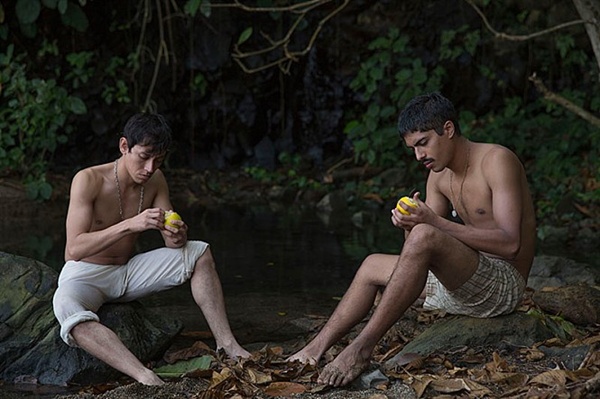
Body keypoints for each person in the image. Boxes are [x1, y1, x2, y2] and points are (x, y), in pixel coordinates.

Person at [287, 92, 536, 387]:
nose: (419, 156)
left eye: (423, 143)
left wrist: (432, 222)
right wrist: (409, 224)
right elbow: (417, 249)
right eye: (413, 149)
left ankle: (361, 349)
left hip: (501, 286)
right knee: (370, 265)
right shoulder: (438, 176)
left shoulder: (496, 161)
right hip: (463, 282)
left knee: (426, 232)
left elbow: (510, 244)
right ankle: (315, 348)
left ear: (448, 129)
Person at [52, 113, 250, 385]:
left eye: (158, 160)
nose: (149, 167)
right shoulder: (88, 180)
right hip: (86, 274)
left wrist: (177, 235)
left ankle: (227, 344)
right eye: (143, 157)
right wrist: (131, 225)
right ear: (124, 146)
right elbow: (73, 249)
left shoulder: (156, 179)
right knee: (66, 307)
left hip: (128, 272)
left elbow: (173, 243)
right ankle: (145, 376)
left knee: (199, 252)